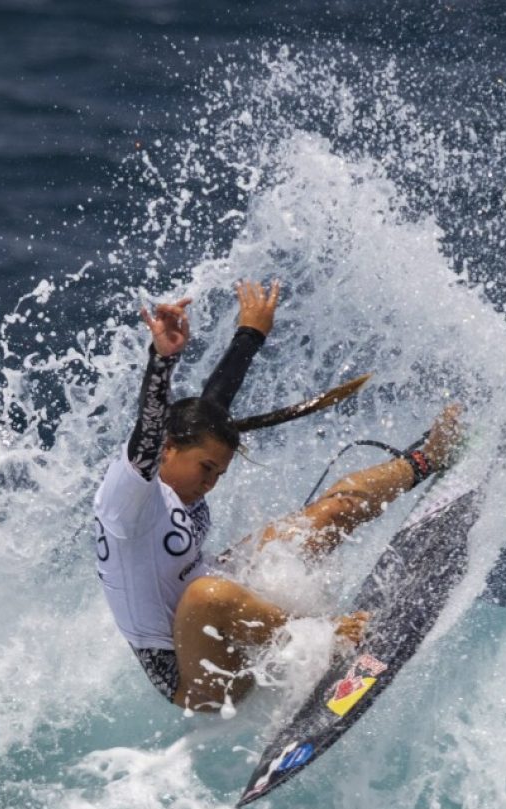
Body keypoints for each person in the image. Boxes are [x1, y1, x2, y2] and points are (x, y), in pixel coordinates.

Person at [94, 280, 461, 713]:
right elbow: (151, 425)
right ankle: (324, 639)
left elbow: (213, 406)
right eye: (206, 469)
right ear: (167, 449)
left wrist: (250, 334)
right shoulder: (128, 497)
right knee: (206, 596)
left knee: (323, 516)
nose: (210, 482)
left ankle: (425, 459)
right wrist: (161, 360)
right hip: (194, 677)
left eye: (219, 472)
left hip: (224, 612)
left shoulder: (184, 460)